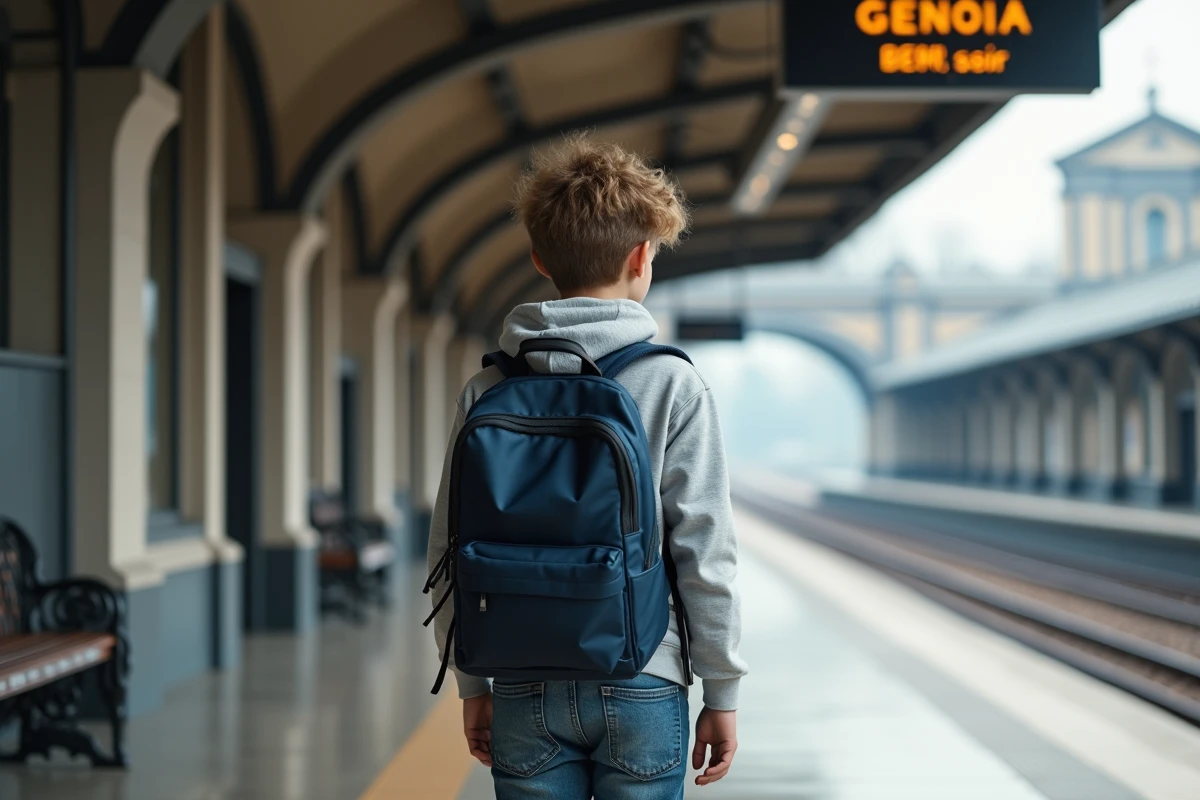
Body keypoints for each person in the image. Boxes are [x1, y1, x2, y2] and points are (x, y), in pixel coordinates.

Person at [427, 134, 747, 799]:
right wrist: (722, 689)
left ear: (541, 259)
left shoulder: (489, 389)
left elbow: (447, 548)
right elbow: (704, 547)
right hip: (643, 672)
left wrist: (470, 682)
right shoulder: (671, 383)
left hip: (522, 676)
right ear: (641, 257)